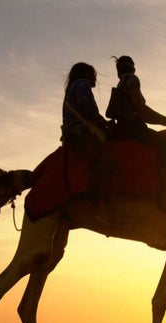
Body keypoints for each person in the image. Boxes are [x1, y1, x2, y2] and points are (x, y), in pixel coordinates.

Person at [106, 55, 166, 213]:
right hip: (133, 129)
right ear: (133, 67)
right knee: (165, 144)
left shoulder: (120, 85)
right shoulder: (132, 80)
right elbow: (141, 109)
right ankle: (164, 193)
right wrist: (165, 120)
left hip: (121, 131)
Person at [61, 62, 114, 222]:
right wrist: (104, 123)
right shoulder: (82, 84)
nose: (95, 79)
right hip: (82, 135)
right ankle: (101, 205)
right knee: (105, 161)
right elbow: (87, 108)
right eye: (94, 75)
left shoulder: (70, 89)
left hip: (71, 136)